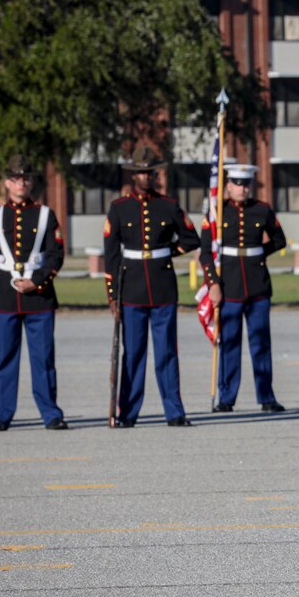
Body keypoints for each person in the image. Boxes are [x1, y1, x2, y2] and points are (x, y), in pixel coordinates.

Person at [103, 146, 200, 427]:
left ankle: (174, 410)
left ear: (155, 174)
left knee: (167, 351)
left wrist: (166, 251)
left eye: (149, 172)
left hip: (162, 287)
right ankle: (128, 413)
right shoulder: (119, 208)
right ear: (133, 176)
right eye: (140, 173)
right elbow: (110, 255)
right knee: (133, 353)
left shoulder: (168, 206)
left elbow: (191, 239)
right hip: (131, 288)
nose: (145, 177)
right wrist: (112, 295)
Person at [0, 155, 67, 431]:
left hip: (39, 296)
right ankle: (3, 413)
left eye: (25, 178)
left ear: (31, 182)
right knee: (5, 359)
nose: (21, 183)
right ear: (6, 182)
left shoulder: (45, 214)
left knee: (43, 358)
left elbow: (55, 254)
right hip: (3, 295)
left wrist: (36, 281)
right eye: (15, 178)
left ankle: (50, 413)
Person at [200, 164, 287, 413]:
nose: (242, 188)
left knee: (260, 343)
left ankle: (266, 396)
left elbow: (279, 240)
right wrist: (213, 283)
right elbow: (206, 253)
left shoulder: (262, 210)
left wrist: (257, 254)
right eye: (237, 183)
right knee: (229, 343)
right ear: (227, 185)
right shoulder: (218, 213)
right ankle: (226, 397)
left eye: (246, 183)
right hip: (228, 286)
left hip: (257, 284)